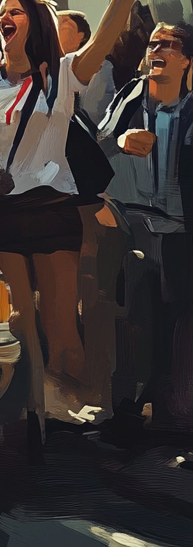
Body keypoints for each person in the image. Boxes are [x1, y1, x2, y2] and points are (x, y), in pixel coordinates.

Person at [0, 0, 152, 445]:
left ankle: (75, 405)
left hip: (52, 212)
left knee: (62, 328)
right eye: (2, 10)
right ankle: (34, 411)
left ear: (32, 24)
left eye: (16, 11)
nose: (4, 16)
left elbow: (102, 41)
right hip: (1, 215)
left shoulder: (62, 73)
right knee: (18, 325)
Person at [99, 22, 193, 432]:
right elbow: (97, 142)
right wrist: (119, 142)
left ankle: (175, 410)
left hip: (182, 231)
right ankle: (132, 406)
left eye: (169, 45)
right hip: (132, 224)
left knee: (179, 320)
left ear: (188, 59)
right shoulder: (131, 98)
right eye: (154, 43)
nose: (157, 50)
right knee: (136, 318)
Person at [59, 9, 115, 121]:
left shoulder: (100, 67)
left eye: (64, 27)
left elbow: (94, 111)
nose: (57, 30)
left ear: (80, 36)